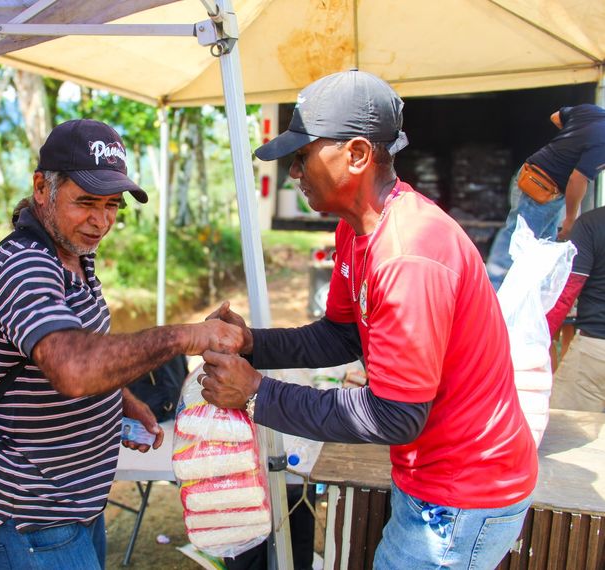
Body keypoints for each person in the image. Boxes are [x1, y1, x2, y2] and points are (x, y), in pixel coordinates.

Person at [198, 70, 538, 569]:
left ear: (356, 154)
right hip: (434, 477)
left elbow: (396, 415)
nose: (294, 173)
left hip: (463, 493)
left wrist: (257, 394)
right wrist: (252, 342)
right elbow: (340, 335)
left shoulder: (408, 255)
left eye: (302, 156)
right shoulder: (358, 232)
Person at [0, 119, 241, 570]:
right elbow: (73, 368)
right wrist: (183, 335)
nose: (101, 220)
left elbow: (81, 351)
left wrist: (120, 398)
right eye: (86, 202)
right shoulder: (26, 265)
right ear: (42, 188)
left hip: (77, 499)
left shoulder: (74, 254)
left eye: (112, 205)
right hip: (37, 511)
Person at [486, 104, 605, 289]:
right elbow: (577, 178)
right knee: (518, 238)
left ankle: (535, 294)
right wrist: (571, 220)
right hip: (542, 186)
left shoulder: (591, 112)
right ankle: (491, 290)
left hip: (534, 176)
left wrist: (570, 145)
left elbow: (556, 117)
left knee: (543, 244)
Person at [545, 205, 605, 412]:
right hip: (595, 352)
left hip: (595, 353)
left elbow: (566, 292)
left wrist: (539, 340)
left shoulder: (591, 224)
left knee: (565, 432)